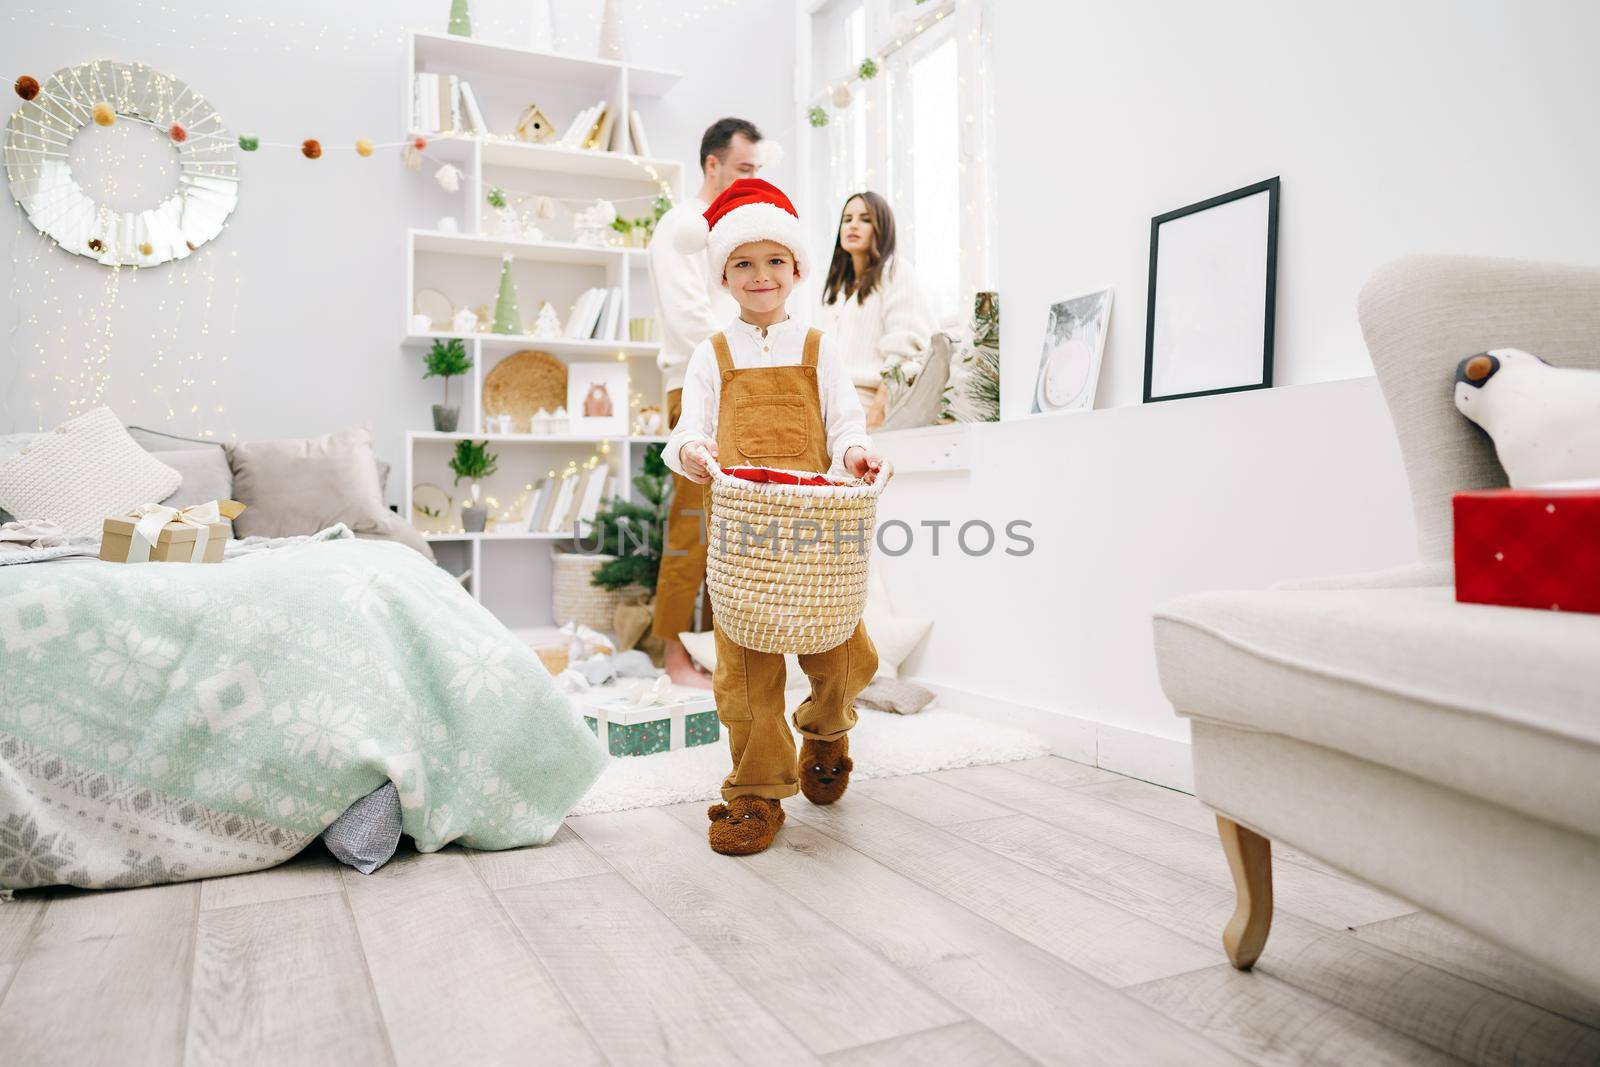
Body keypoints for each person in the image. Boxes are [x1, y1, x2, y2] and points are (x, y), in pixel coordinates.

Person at [664, 178, 892, 856]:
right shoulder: (713, 354)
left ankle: (826, 728)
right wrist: (695, 452)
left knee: (844, 654)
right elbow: (683, 434)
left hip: (816, 537)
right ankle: (757, 793)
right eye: (742, 263)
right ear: (725, 276)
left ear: (796, 269)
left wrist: (856, 454)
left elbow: (847, 425)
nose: (759, 276)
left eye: (774, 262)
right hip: (743, 540)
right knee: (745, 676)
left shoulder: (821, 349)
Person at [649, 118, 765, 690]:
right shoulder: (682, 227)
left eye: (758, 171)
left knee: (735, 529)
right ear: (712, 165)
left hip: (738, 386)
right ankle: (673, 657)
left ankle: (727, 656)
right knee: (692, 523)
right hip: (697, 388)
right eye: (743, 168)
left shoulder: (730, 233)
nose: (752, 179)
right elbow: (691, 318)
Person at [816, 191, 937, 428]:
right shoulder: (838, 293)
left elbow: (906, 350)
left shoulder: (896, 272)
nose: (853, 225)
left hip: (866, 403)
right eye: (847, 219)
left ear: (881, 227)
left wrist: (877, 413)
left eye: (865, 219)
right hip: (828, 406)